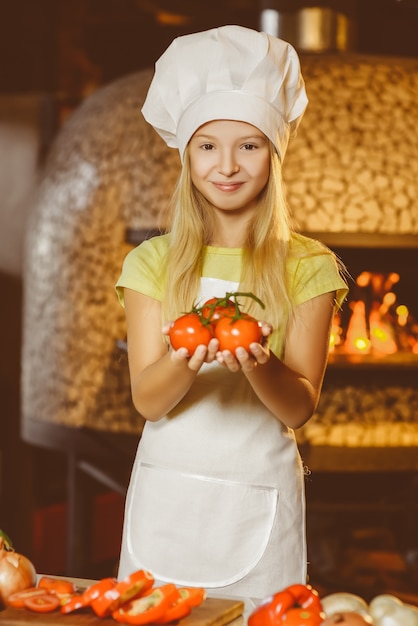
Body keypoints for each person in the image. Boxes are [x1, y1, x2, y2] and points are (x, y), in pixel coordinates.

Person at [115, 24, 348, 605]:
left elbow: (298, 409)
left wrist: (258, 363)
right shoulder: (151, 263)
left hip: (258, 503)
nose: (228, 165)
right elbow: (148, 400)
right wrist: (185, 359)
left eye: (248, 144)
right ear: (186, 155)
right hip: (166, 501)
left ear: (273, 154)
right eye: (207, 145)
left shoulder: (308, 266)